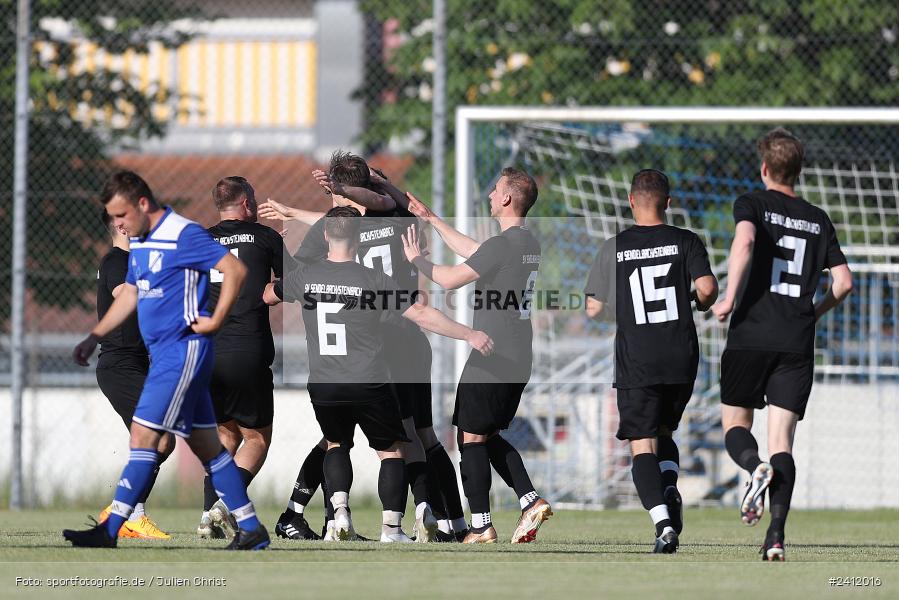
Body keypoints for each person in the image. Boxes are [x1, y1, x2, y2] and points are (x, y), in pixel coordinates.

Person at [263, 153, 467, 542]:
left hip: (367, 341)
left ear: (344, 193)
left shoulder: (337, 227)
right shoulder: (397, 214)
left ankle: (316, 513)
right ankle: (446, 520)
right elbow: (383, 204)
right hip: (408, 334)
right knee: (419, 434)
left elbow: (322, 239)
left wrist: (289, 224)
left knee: (339, 439)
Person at [66, 170, 269, 550]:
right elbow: (127, 295)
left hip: (183, 354)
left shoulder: (184, 234)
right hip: (164, 356)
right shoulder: (142, 242)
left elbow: (235, 270)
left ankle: (111, 529)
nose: (119, 225)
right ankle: (251, 528)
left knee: (146, 437)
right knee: (208, 445)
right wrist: (94, 336)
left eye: (121, 216)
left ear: (142, 204)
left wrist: (216, 319)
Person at [712, 129, 853, 561]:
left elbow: (746, 242)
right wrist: (815, 311)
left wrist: (729, 297)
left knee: (736, 426)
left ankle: (753, 468)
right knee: (783, 443)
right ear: (799, 171)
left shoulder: (751, 203)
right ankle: (775, 537)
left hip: (751, 334)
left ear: (765, 169)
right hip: (796, 340)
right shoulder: (818, 218)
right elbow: (844, 283)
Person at [401, 166, 551, 544]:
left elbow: (450, 277)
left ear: (506, 198)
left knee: (470, 438)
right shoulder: (525, 242)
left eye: (495, 188)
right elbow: (475, 251)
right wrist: (432, 219)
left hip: (491, 350)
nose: (489, 195)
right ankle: (529, 501)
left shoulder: (503, 245)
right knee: (485, 434)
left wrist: (416, 260)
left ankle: (482, 525)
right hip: (518, 354)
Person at [584, 169, 718, 553]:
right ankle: (670, 484)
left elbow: (593, 308)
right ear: (668, 203)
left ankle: (663, 524)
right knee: (665, 434)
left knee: (641, 445)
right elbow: (707, 289)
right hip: (681, 356)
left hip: (637, 358)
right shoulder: (685, 240)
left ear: (630, 201)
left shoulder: (613, 247)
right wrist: (699, 302)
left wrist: (620, 310)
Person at [196, 176, 294, 539]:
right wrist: (271, 292)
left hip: (208, 349)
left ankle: (208, 517)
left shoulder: (200, 239)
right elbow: (295, 281)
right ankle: (224, 504)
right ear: (247, 204)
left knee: (224, 435)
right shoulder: (266, 237)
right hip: (247, 347)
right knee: (257, 439)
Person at [94, 209, 174, 540]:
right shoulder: (117, 262)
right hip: (119, 365)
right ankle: (130, 514)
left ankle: (120, 511)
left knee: (159, 439)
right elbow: (124, 295)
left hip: (135, 363)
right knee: (159, 437)